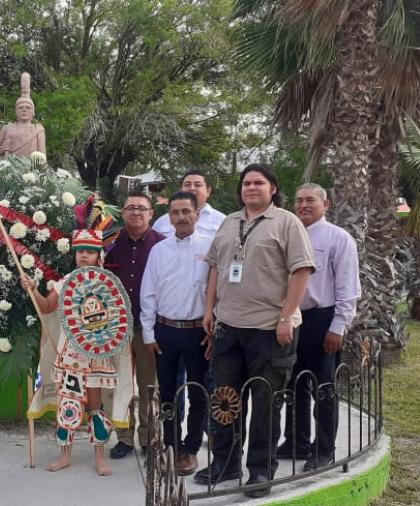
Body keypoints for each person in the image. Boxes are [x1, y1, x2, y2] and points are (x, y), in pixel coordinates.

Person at [195, 164, 315, 499]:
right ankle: (226, 462)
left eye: (258, 183)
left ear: (273, 188)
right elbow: (217, 268)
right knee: (226, 400)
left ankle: (261, 470)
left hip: (268, 329)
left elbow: (301, 271)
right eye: (246, 183)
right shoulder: (230, 221)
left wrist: (287, 317)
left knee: (265, 403)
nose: (251, 188)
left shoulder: (287, 222)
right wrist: (210, 312)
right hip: (228, 327)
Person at [20, 228, 130, 476]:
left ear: (98, 255)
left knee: (95, 406)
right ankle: (65, 455)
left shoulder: (107, 283)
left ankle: (100, 457)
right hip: (70, 356)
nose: (84, 256)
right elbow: (47, 307)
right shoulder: (66, 281)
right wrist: (33, 289)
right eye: (80, 251)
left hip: (96, 355)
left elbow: (116, 322)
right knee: (67, 403)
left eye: (89, 252)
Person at [277, 183, 360, 470]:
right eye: (299, 201)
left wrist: (338, 326)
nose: (303, 205)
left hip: (321, 319)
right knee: (293, 384)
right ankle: (296, 441)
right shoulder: (287, 235)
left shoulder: (338, 239)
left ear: (326, 205)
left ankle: (323, 449)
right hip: (290, 318)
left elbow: (348, 288)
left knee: (323, 388)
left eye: (311, 200)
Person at [139, 191, 212, 476]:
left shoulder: (210, 247)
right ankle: (169, 445)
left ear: (196, 214)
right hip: (165, 332)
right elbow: (149, 293)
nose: (181, 217)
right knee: (167, 393)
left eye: (186, 211)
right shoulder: (159, 250)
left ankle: (190, 449)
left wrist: (214, 332)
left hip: (198, 333)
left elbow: (217, 295)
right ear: (169, 217)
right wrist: (148, 334)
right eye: (176, 212)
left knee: (198, 392)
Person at [105, 191, 165, 459]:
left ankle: (149, 437)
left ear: (151, 214)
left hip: (148, 327)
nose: (136, 212)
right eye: (130, 208)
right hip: (117, 327)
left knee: (149, 385)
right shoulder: (111, 245)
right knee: (120, 385)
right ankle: (124, 437)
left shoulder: (162, 246)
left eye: (142, 208)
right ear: (122, 212)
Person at [152, 170, 225, 238]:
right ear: (181, 190)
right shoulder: (161, 223)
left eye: (197, 185)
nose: (192, 188)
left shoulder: (222, 221)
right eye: (187, 185)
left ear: (208, 191)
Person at [0, 72, 46, 157]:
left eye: (28, 107)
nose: (24, 109)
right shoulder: (7, 128)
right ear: (16, 111)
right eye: (20, 107)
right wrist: (2, 148)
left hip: (31, 168)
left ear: (33, 112)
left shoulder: (38, 129)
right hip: (11, 167)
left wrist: (42, 169)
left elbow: (42, 155)